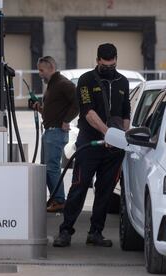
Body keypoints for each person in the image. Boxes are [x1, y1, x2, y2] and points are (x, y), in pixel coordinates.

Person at [53, 43, 130, 247]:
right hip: (90, 143)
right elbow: (88, 112)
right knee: (79, 187)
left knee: (105, 191)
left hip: (113, 148)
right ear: (97, 61)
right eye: (105, 66)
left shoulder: (123, 82)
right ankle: (65, 231)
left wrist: (121, 137)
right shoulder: (86, 81)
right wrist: (108, 133)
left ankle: (96, 232)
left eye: (112, 65)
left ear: (116, 61)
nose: (109, 69)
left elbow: (126, 114)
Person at [32, 56, 79, 213]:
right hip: (50, 131)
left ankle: (59, 200)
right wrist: (40, 108)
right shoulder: (53, 85)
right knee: (46, 168)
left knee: (52, 168)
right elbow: (54, 110)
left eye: (41, 70)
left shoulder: (63, 83)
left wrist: (66, 120)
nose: (39, 73)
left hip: (56, 132)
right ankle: (55, 199)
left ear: (51, 67)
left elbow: (78, 102)